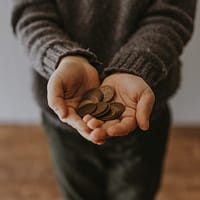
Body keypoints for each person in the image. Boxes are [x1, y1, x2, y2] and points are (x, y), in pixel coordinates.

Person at [11, 0, 196, 199]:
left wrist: (137, 65)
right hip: (66, 118)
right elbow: (30, 13)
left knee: (137, 193)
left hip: (142, 110)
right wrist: (62, 57)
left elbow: (172, 14)